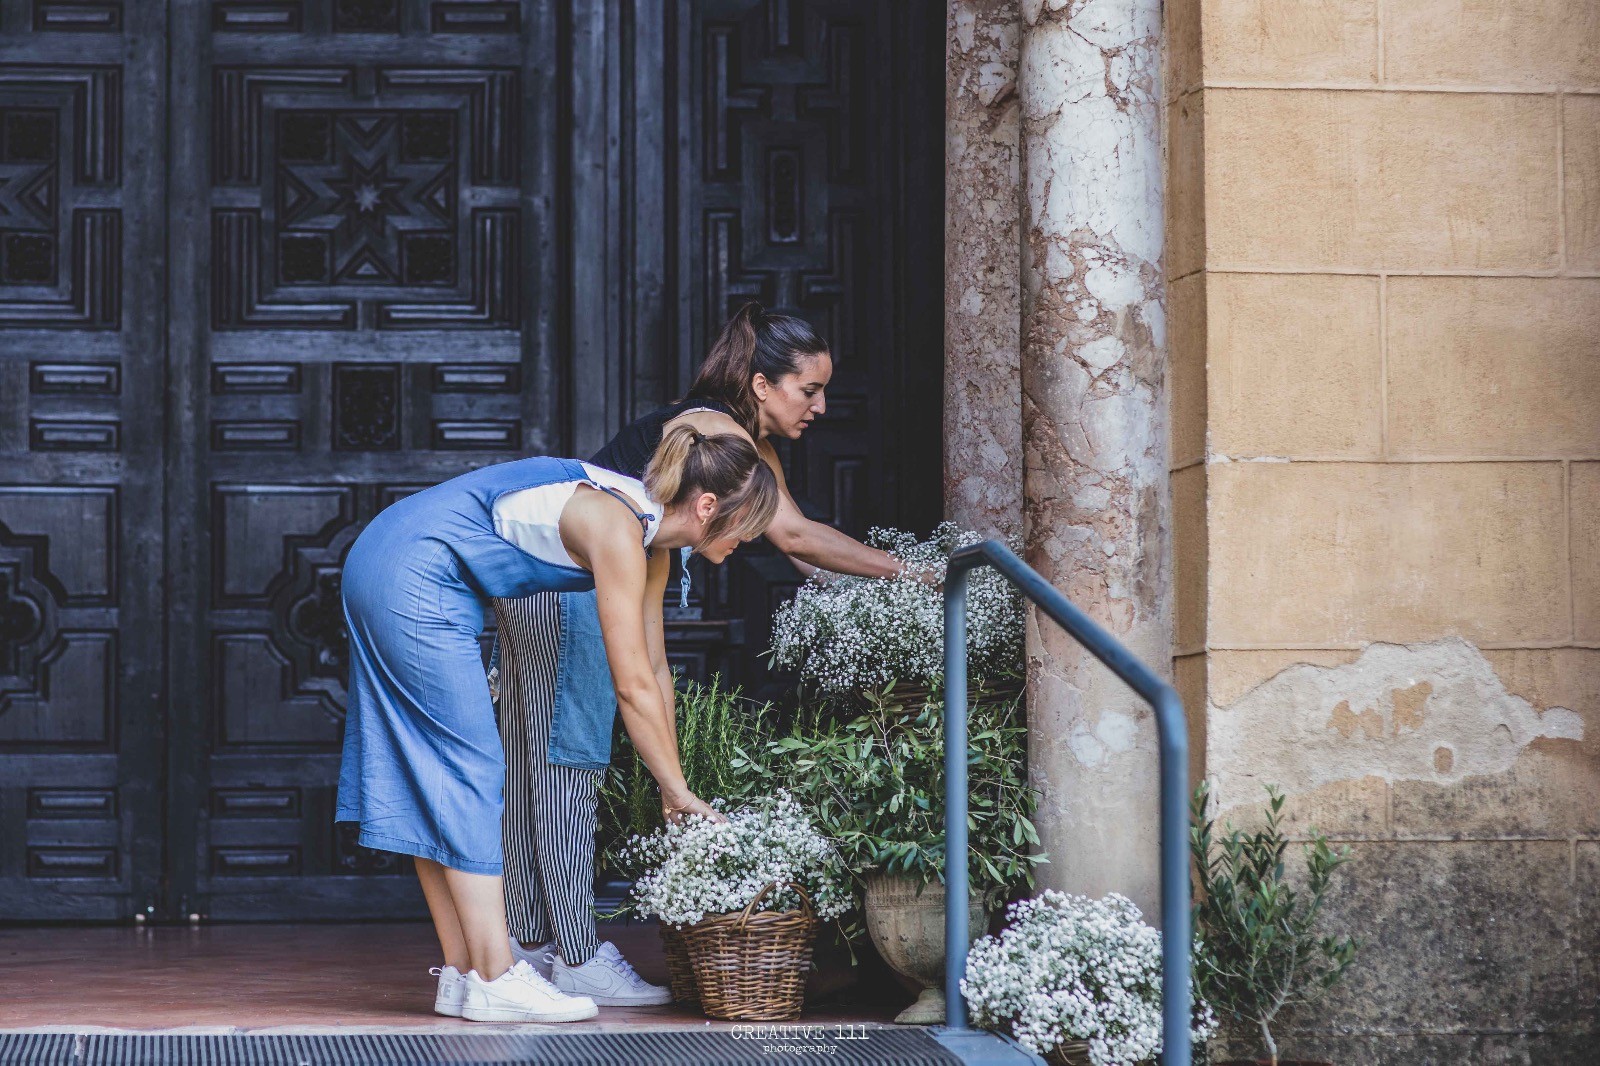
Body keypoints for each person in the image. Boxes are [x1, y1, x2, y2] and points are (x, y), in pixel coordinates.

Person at [492, 303, 918, 1006]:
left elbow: (799, 543)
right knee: (567, 760)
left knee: (537, 757)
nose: (820, 406)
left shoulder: (741, 442)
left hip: (547, 584)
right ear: (761, 385)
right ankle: (574, 953)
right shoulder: (719, 434)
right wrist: (916, 574)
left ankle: (529, 941)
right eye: (809, 389)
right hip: (572, 584)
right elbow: (797, 539)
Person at [335, 428, 778, 1023]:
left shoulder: (651, 544)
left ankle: (463, 975)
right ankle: (496, 975)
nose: (751, 539)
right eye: (750, 523)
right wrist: (675, 790)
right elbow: (630, 684)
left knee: (435, 778)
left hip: (388, 556)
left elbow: (653, 670)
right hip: (416, 573)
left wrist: (673, 784)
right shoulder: (619, 527)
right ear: (707, 506)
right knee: (470, 772)